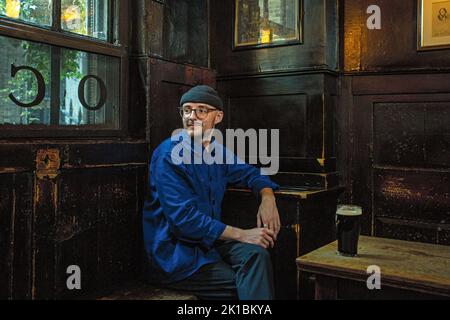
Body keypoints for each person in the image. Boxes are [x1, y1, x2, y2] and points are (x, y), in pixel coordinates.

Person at [142, 85, 280, 300]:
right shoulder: (169, 154)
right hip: (176, 255)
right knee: (243, 285)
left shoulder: (217, 152)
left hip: (209, 245)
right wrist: (243, 234)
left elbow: (251, 174)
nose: (192, 116)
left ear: (218, 116)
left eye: (201, 110)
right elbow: (183, 220)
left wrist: (267, 196)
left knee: (257, 256)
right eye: (186, 110)